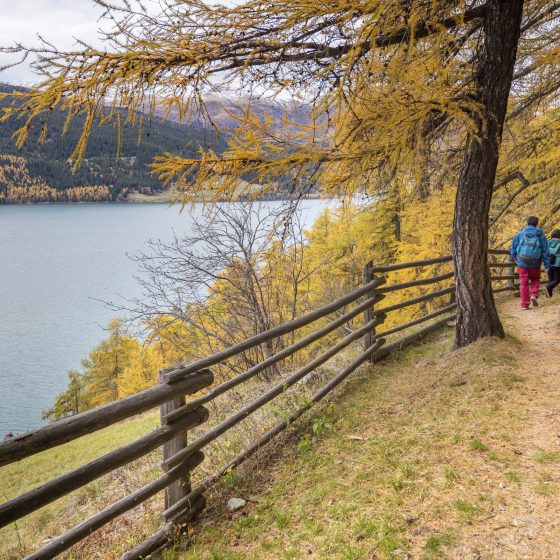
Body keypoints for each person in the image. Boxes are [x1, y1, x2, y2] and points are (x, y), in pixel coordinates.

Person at [510, 216, 550, 310]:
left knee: (523, 283)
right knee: (535, 279)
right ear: (537, 224)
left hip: (522, 262)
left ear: (527, 223)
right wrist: (547, 265)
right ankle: (533, 294)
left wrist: (515, 258)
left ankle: (525, 304)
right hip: (535, 263)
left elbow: (513, 248)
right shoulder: (541, 235)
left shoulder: (520, 234)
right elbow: (546, 251)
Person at [546, 229, 560, 297]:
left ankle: (549, 295)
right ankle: (548, 287)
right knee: (557, 279)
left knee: (551, 279)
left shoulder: (548, 242)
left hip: (548, 263)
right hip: (557, 264)